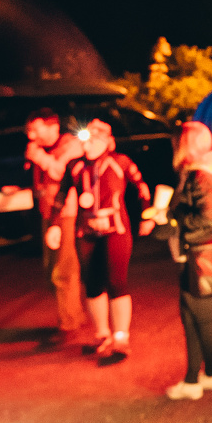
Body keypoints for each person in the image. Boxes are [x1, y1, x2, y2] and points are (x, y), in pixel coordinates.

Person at [49, 118, 152, 364]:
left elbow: (142, 187)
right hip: (87, 231)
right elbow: (61, 195)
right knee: (93, 283)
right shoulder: (76, 166)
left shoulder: (120, 161)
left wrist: (148, 215)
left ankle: (121, 337)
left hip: (116, 229)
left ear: (108, 141)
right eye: (86, 138)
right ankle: (102, 334)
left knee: (116, 282)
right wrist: (54, 224)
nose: (89, 144)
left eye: (96, 139)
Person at [165, 121, 212, 399]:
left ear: (185, 145)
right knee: (193, 317)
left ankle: (201, 378)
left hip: (197, 253)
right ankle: (199, 377)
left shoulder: (202, 176)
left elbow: (210, 217)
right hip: (197, 251)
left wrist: (174, 220)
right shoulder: (203, 172)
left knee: (199, 319)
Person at [24, 108, 86, 343]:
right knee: (51, 269)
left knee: (64, 270)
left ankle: (69, 324)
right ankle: (74, 314)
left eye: (35, 130)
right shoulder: (42, 150)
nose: (31, 136)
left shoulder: (71, 146)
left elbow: (61, 173)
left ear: (53, 127)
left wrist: (38, 157)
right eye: (29, 131)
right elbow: (44, 184)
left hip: (65, 214)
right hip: (48, 214)